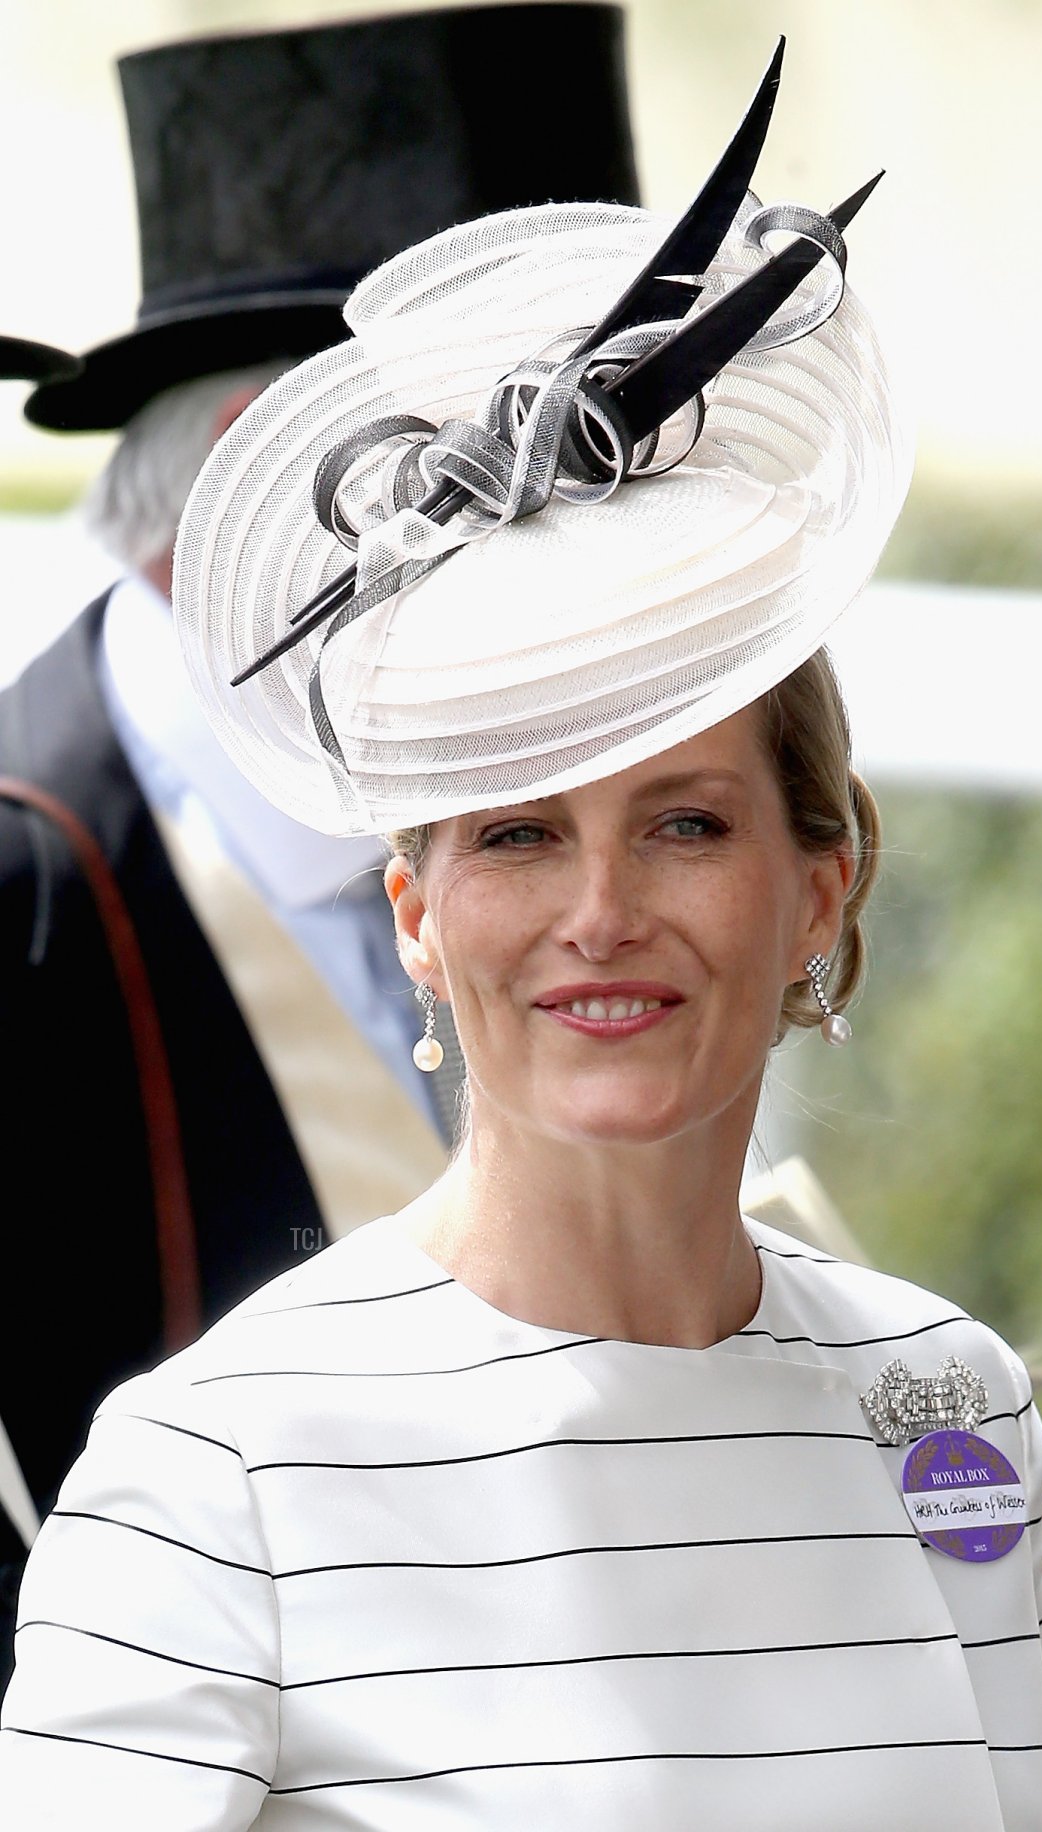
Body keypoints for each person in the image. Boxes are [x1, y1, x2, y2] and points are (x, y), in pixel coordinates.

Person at [0, 50, 1042, 1829]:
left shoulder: (953, 1410)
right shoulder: (212, 1479)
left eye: (689, 821)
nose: (600, 913)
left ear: (821, 885)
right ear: (416, 910)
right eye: (513, 830)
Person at [0, 3, 641, 1692]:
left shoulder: (606, 821)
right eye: (535, 453)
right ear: (264, 478)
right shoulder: (21, 897)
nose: (615, 524)